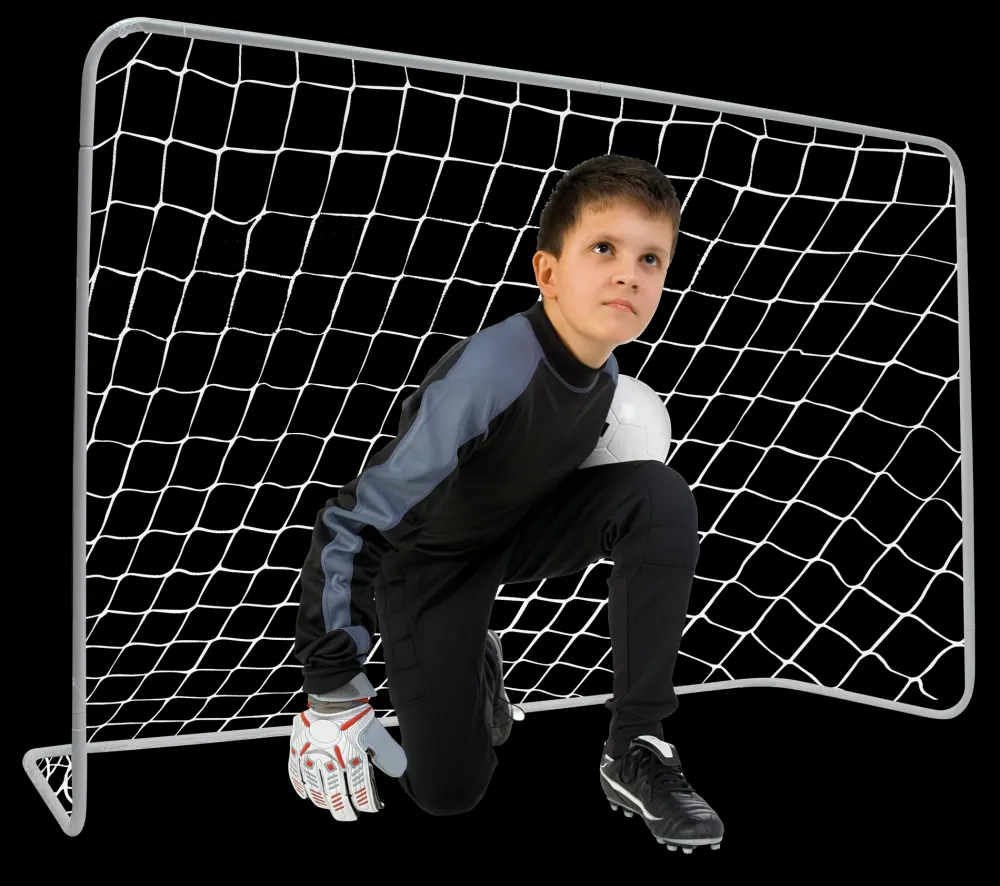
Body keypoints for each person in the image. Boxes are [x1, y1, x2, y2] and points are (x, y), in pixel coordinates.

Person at [287, 153, 723, 852]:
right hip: (425, 565)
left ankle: (635, 746)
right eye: (603, 249)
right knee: (448, 792)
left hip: (508, 533)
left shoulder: (606, 374)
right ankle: (472, 663)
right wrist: (332, 681)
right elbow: (352, 521)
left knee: (657, 495)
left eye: (651, 259)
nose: (629, 275)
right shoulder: (492, 372)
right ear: (547, 272)